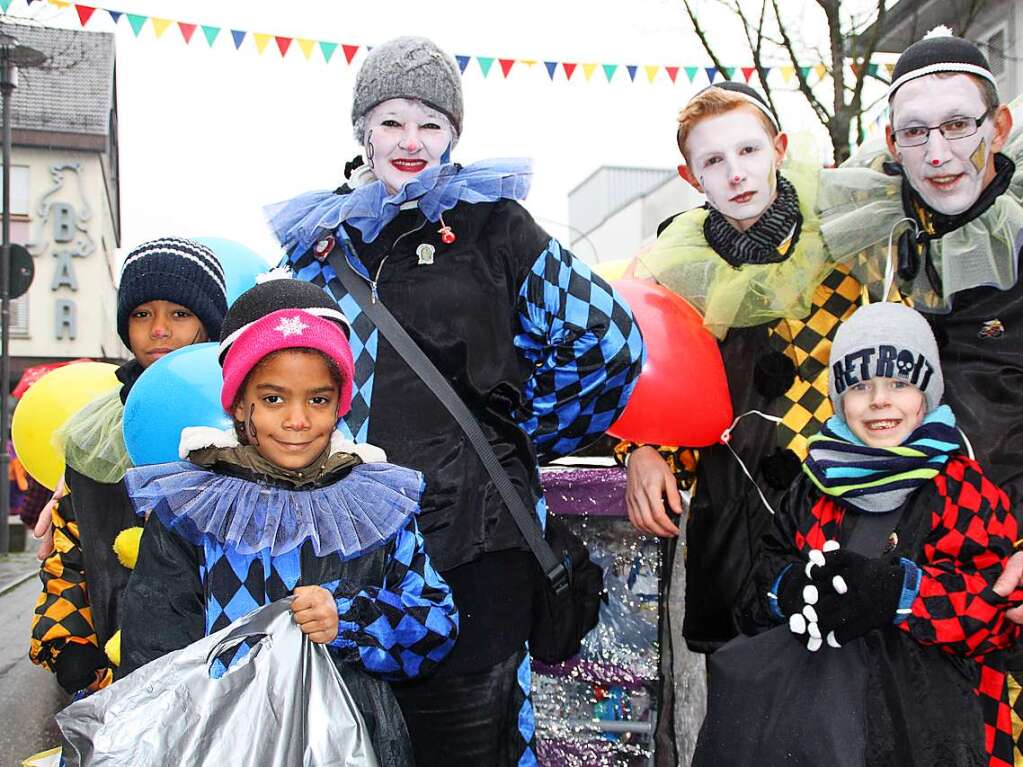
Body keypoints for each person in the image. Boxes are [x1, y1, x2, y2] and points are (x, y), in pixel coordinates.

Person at [265, 36, 644, 766]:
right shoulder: (318, 242)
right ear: (362, 130)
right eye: (393, 120)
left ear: (453, 135)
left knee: (471, 744)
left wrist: (513, 433)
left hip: (476, 548)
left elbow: (608, 341)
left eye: (431, 123)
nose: (411, 141)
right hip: (352, 559)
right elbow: (264, 377)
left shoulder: (495, 227)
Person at [117, 278, 458, 764]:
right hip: (227, 745)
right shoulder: (191, 511)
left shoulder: (377, 507)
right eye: (274, 399)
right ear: (239, 404)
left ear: (339, 404)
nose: (297, 420)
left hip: (356, 743)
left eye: (317, 400)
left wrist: (351, 619)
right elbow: (152, 656)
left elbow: (436, 627)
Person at [817, 26, 1023, 757]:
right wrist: (644, 440)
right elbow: (737, 290)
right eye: (915, 132)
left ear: (995, 127)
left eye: (957, 126)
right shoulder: (864, 240)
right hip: (909, 581)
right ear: (889, 141)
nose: (937, 155)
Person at [621, 82, 859, 657]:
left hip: (845, 513)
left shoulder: (847, 245)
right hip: (735, 518)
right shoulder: (676, 273)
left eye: (749, 151)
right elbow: (656, 388)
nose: (736, 174)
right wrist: (640, 450)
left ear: (778, 147)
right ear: (691, 177)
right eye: (714, 160)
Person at [730, 301, 1020, 766]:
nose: (879, 400)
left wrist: (897, 592)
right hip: (824, 729)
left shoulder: (962, 486)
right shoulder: (812, 486)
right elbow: (753, 595)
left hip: (939, 734)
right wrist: (789, 591)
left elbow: (994, 617)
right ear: (840, 399)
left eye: (900, 383)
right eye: (860, 386)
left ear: (927, 395)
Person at [29, 237, 228, 695]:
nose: (159, 330)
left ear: (208, 321)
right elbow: (70, 550)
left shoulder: (246, 415)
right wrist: (69, 642)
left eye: (180, 313)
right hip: (116, 679)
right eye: (142, 314)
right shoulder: (94, 434)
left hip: (216, 672)